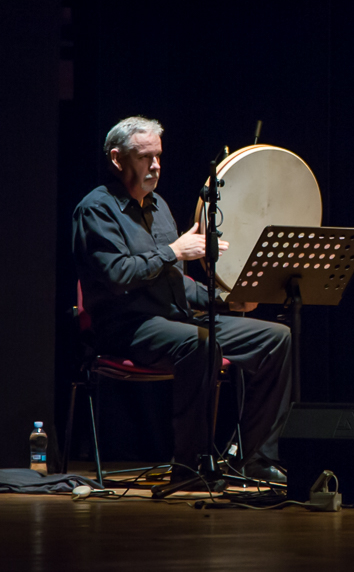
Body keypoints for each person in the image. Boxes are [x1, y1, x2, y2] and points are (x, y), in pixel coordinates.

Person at [72, 116, 291, 483]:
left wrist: (226, 300)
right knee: (200, 343)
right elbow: (117, 277)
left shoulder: (158, 208)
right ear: (117, 158)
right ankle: (191, 465)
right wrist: (174, 251)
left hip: (174, 319)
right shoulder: (96, 210)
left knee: (275, 338)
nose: (155, 166)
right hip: (128, 327)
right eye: (144, 157)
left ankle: (256, 460)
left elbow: (177, 284)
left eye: (158, 156)